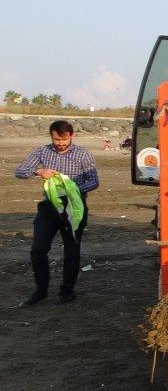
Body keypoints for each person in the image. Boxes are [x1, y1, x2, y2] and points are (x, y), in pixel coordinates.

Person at [14, 120, 99, 305]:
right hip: (49, 207)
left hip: (74, 208)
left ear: (71, 136)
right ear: (51, 136)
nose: (60, 143)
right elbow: (20, 171)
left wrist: (72, 189)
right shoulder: (42, 152)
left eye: (64, 139)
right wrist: (39, 171)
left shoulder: (83, 155)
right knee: (38, 249)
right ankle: (41, 290)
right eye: (56, 139)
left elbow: (94, 181)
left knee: (71, 251)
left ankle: (67, 291)